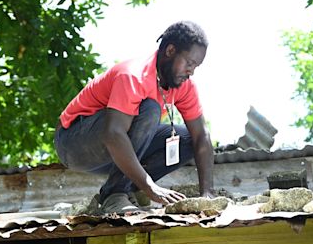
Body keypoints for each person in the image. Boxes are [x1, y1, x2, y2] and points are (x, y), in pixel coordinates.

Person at [54, 21, 214, 214]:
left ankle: (130, 190)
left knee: (187, 140)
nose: (192, 71)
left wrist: (207, 193)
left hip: (113, 152)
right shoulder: (134, 75)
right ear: (170, 51)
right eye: (189, 63)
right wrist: (151, 186)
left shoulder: (183, 86)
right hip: (73, 143)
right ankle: (115, 194)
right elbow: (113, 134)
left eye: (196, 66)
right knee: (149, 109)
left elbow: (201, 137)